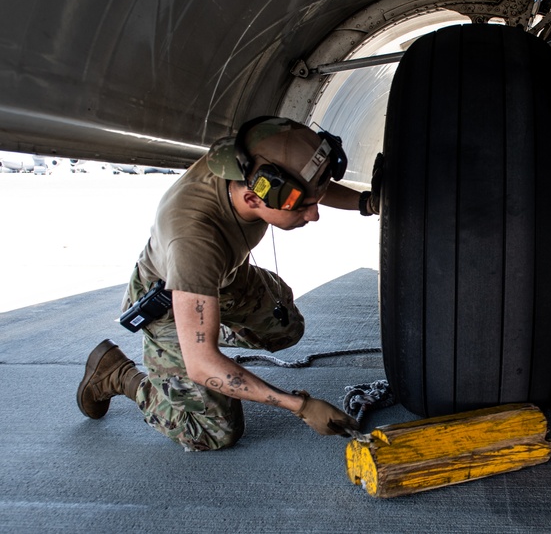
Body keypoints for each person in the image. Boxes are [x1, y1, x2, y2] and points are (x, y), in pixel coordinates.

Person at [75, 116, 379, 451]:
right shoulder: (194, 241)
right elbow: (203, 364)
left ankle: (200, 345)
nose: (314, 214)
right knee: (215, 432)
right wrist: (301, 407)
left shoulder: (253, 166)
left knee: (286, 329)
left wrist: (365, 203)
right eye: (303, 208)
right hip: (171, 302)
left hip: (226, 280)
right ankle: (120, 374)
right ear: (253, 199)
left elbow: (310, 185)